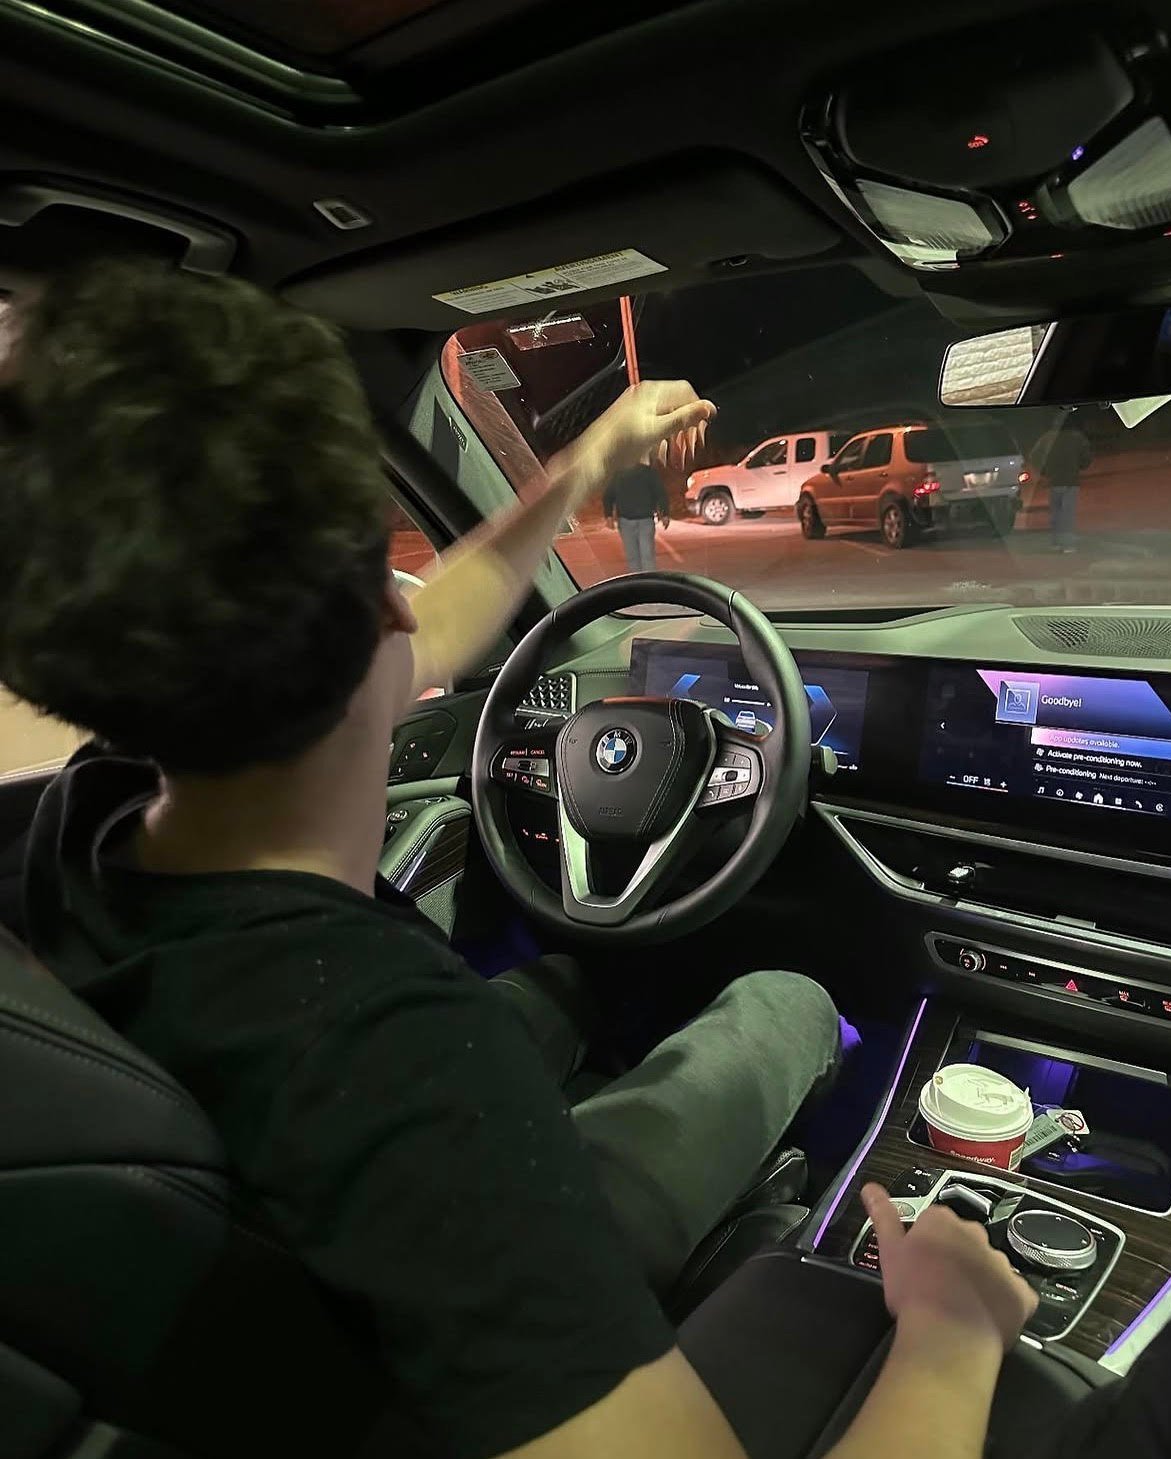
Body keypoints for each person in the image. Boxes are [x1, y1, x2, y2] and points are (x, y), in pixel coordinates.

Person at [0, 258, 1026, 1459]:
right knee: (792, 998)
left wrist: (582, 463)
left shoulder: (74, 813)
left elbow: (434, 625)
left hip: (275, 1202)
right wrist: (954, 1329)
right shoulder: (409, 1062)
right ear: (384, 607)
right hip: (430, 1224)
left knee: (567, 981)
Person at [1030, 413, 1093, 552]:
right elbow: (1086, 458)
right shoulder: (1077, 438)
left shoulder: (1047, 438)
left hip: (1054, 480)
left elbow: (1034, 456)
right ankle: (1067, 544)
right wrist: (1078, 466)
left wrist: (1045, 471)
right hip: (1071, 481)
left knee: (1056, 514)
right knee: (1067, 514)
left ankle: (1056, 542)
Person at [604, 459, 670, 571]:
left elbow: (660, 493)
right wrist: (608, 515)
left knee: (645, 556)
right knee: (636, 557)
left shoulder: (647, 473)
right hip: (628, 521)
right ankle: (640, 580)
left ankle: (647, 580)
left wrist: (665, 514)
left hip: (643, 520)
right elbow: (608, 496)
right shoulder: (619, 474)